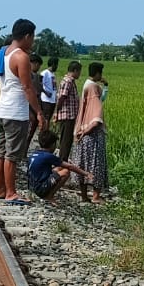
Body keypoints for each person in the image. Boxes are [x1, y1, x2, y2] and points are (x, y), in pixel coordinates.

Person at [0, 19, 44, 204]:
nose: (33, 41)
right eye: (33, 37)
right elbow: (27, 88)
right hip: (15, 113)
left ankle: (0, 190)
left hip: (1, 110)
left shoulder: (3, 52)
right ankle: (11, 192)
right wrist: (39, 112)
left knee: (1, 152)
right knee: (12, 156)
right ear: (27, 36)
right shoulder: (21, 57)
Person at [74, 62, 109, 203]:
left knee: (83, 163)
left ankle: (84, 195)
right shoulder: (93, 88)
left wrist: (82, 131)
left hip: (82, 130)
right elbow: (96, 117)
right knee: (96, 164)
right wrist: (87, 131)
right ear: (98, 73)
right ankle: (95, 196)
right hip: (92, 134)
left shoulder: (86, 85)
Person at [25, 147, 91, 202]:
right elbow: (70, 167)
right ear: (52, 145)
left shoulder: (34, 154)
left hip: (32, 186)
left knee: (59, 168)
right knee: (66, 172)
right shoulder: (48, 156)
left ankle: (41, 193)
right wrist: (86, 174)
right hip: (40, 189)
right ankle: (49, 196)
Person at [55, 61, 82, 165]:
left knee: (66, 139)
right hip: (67, 115)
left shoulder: (69, 81)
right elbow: (62, 97)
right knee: (66, 140)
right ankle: (62, 162)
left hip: (69, 115)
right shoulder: (68, 81)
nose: (79, 74)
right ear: (75, 70)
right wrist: (57, 112)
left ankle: (62, 160)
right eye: (79, 72)